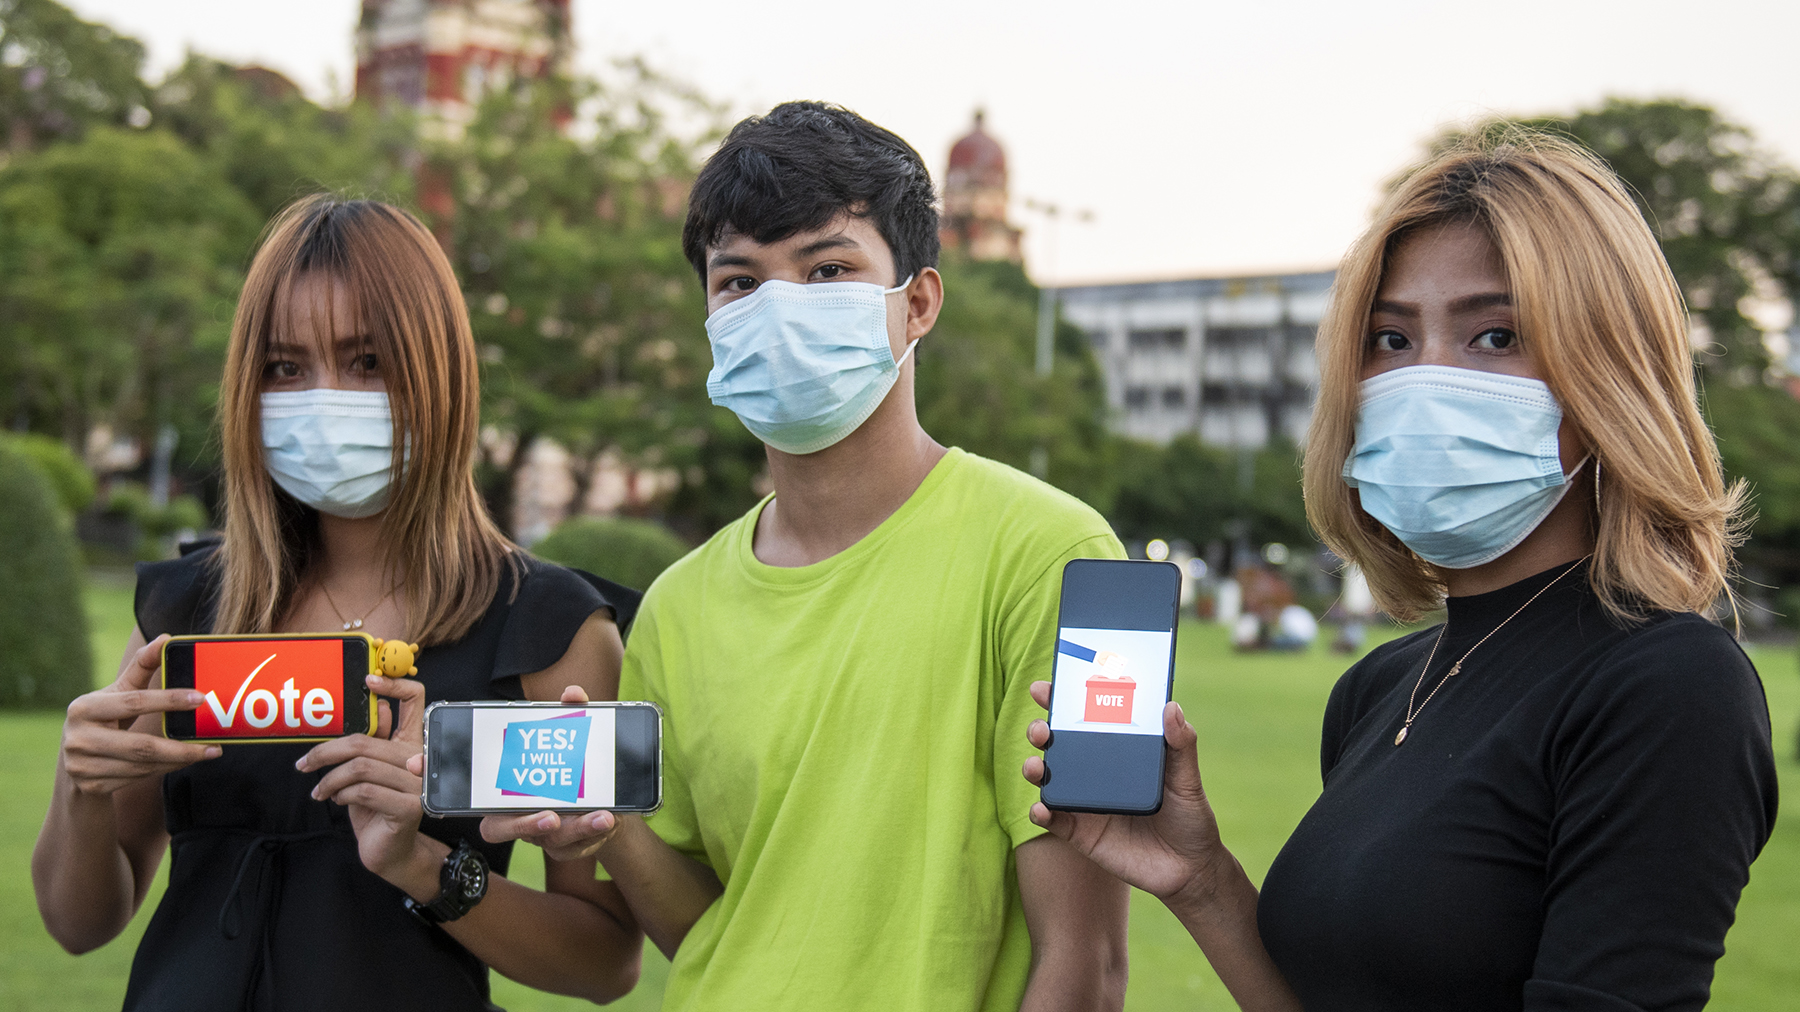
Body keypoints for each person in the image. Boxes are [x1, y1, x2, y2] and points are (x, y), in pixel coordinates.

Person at [1020, 130, 1778, 1012]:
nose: (1428, 380)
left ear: (1608, 371)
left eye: (1496, 335)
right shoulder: (1378, 687)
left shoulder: (1667, 686)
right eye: (1390, 337)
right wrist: (1200, 880)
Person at [482, 101, 1130, 1011]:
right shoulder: (675, 604)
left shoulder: (1062, 558)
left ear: (918, 304)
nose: (780, 308)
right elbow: (712, 931)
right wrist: (605, 827)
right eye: (739, 282)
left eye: (828, 269)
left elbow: (1085, 966)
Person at [32, 196, 646, 1010]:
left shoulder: (551, 632)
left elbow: (604, 963)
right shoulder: (186, 610)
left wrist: (419, 864)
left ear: (441, 372)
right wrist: (82, 788)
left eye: (366, 361)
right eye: (286, 368)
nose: (325, 400)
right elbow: (80, 924)